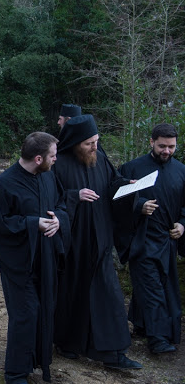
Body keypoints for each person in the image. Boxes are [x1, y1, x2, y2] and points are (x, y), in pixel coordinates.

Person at [52, 115, 141, 369]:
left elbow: (112, 183)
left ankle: (114, 353)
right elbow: (50, 197)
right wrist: (73, 196)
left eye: (96, 141)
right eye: (89, 143)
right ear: (75, 142)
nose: (94, 147)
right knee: (72, 293)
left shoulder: (99, 159)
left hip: (101, 239)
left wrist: (126, 186)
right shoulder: (58, 164)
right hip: (73, 243)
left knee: (109, 294)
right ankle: (67, 342)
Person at [0, 132, 70, 384]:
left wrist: (58, 221)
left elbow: (62, 204)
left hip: (45, 259)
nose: (56, 160)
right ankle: (15, 373)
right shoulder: (6, 184)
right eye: (52, 156)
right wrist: (34, 224)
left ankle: (36, 361)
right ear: (38, 158)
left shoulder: (48, 177)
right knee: (26, 313)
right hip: (19, 262)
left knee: (44, 310)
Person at [117, 123, 185, 354]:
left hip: (168, 241)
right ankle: (158, 340)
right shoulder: (132, 168)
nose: (167, 151)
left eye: (172, 147)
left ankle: (141, 325)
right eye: (162, 146)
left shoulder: (181, 170)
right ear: (151, 142)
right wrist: (138, 206)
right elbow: (115, 199)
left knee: (163, 286)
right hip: (141, 240)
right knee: (152, 288)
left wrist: (183, 225)